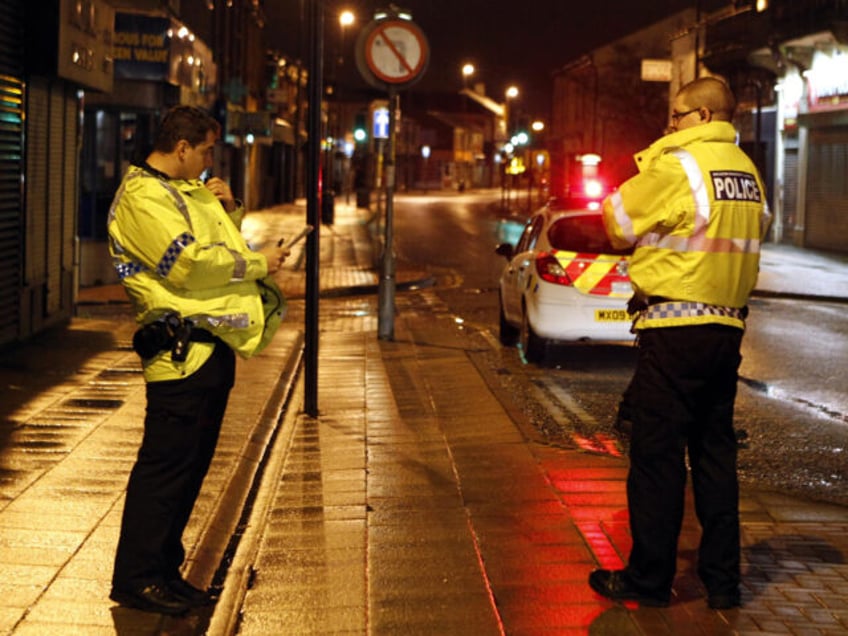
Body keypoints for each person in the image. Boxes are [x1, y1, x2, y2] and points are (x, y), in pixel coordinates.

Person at [588, 77, 771, 610]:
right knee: (714, 455)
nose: (669, 125)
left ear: (704, 116)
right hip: (726, 329)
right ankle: (723, 583)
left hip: (673, 328)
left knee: (656, 456)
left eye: (677, 115)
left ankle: (649, 579)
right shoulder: (749, 174)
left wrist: (648, 169)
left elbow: (616, 221)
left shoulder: (681, 164)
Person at [107, 105, 287, 615]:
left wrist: (229, 211)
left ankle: (164, 570)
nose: (212, 160)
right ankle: (137, 577)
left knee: (189, 471)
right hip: (178, 354)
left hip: (209, 350)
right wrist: (260, 263)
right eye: (207, 149)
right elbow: (186, 266)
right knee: (165, 470)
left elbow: (212, 249)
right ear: (181, 148)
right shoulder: (142, 198)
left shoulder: (184, 193)